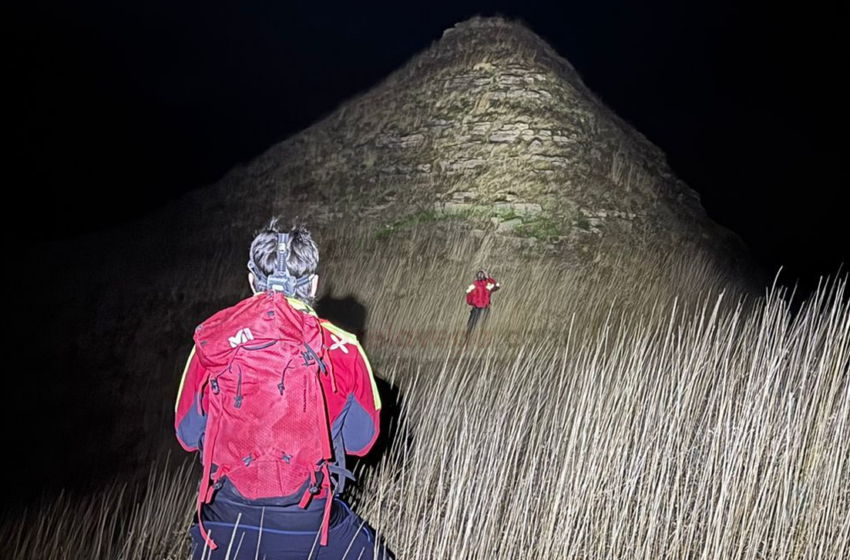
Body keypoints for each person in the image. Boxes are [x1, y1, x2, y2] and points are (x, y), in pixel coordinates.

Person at [175, 219, 393, 559]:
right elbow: (361, 442)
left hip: (223, 520)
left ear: (251, 281)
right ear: (313, 285)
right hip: (308, 520)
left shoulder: (211, 343)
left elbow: (187, 435)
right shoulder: (345, 347)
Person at [465, 270, 500, 337]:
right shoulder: (488, 285)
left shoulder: (473, 285)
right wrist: (489, 278)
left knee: (471, 325)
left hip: (475, 308)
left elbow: (468, 297)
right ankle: (481, 337)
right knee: (484, 324)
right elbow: (497, 286)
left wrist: (472, 303)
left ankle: (467, 339)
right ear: (485, 277)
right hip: (486, 308)